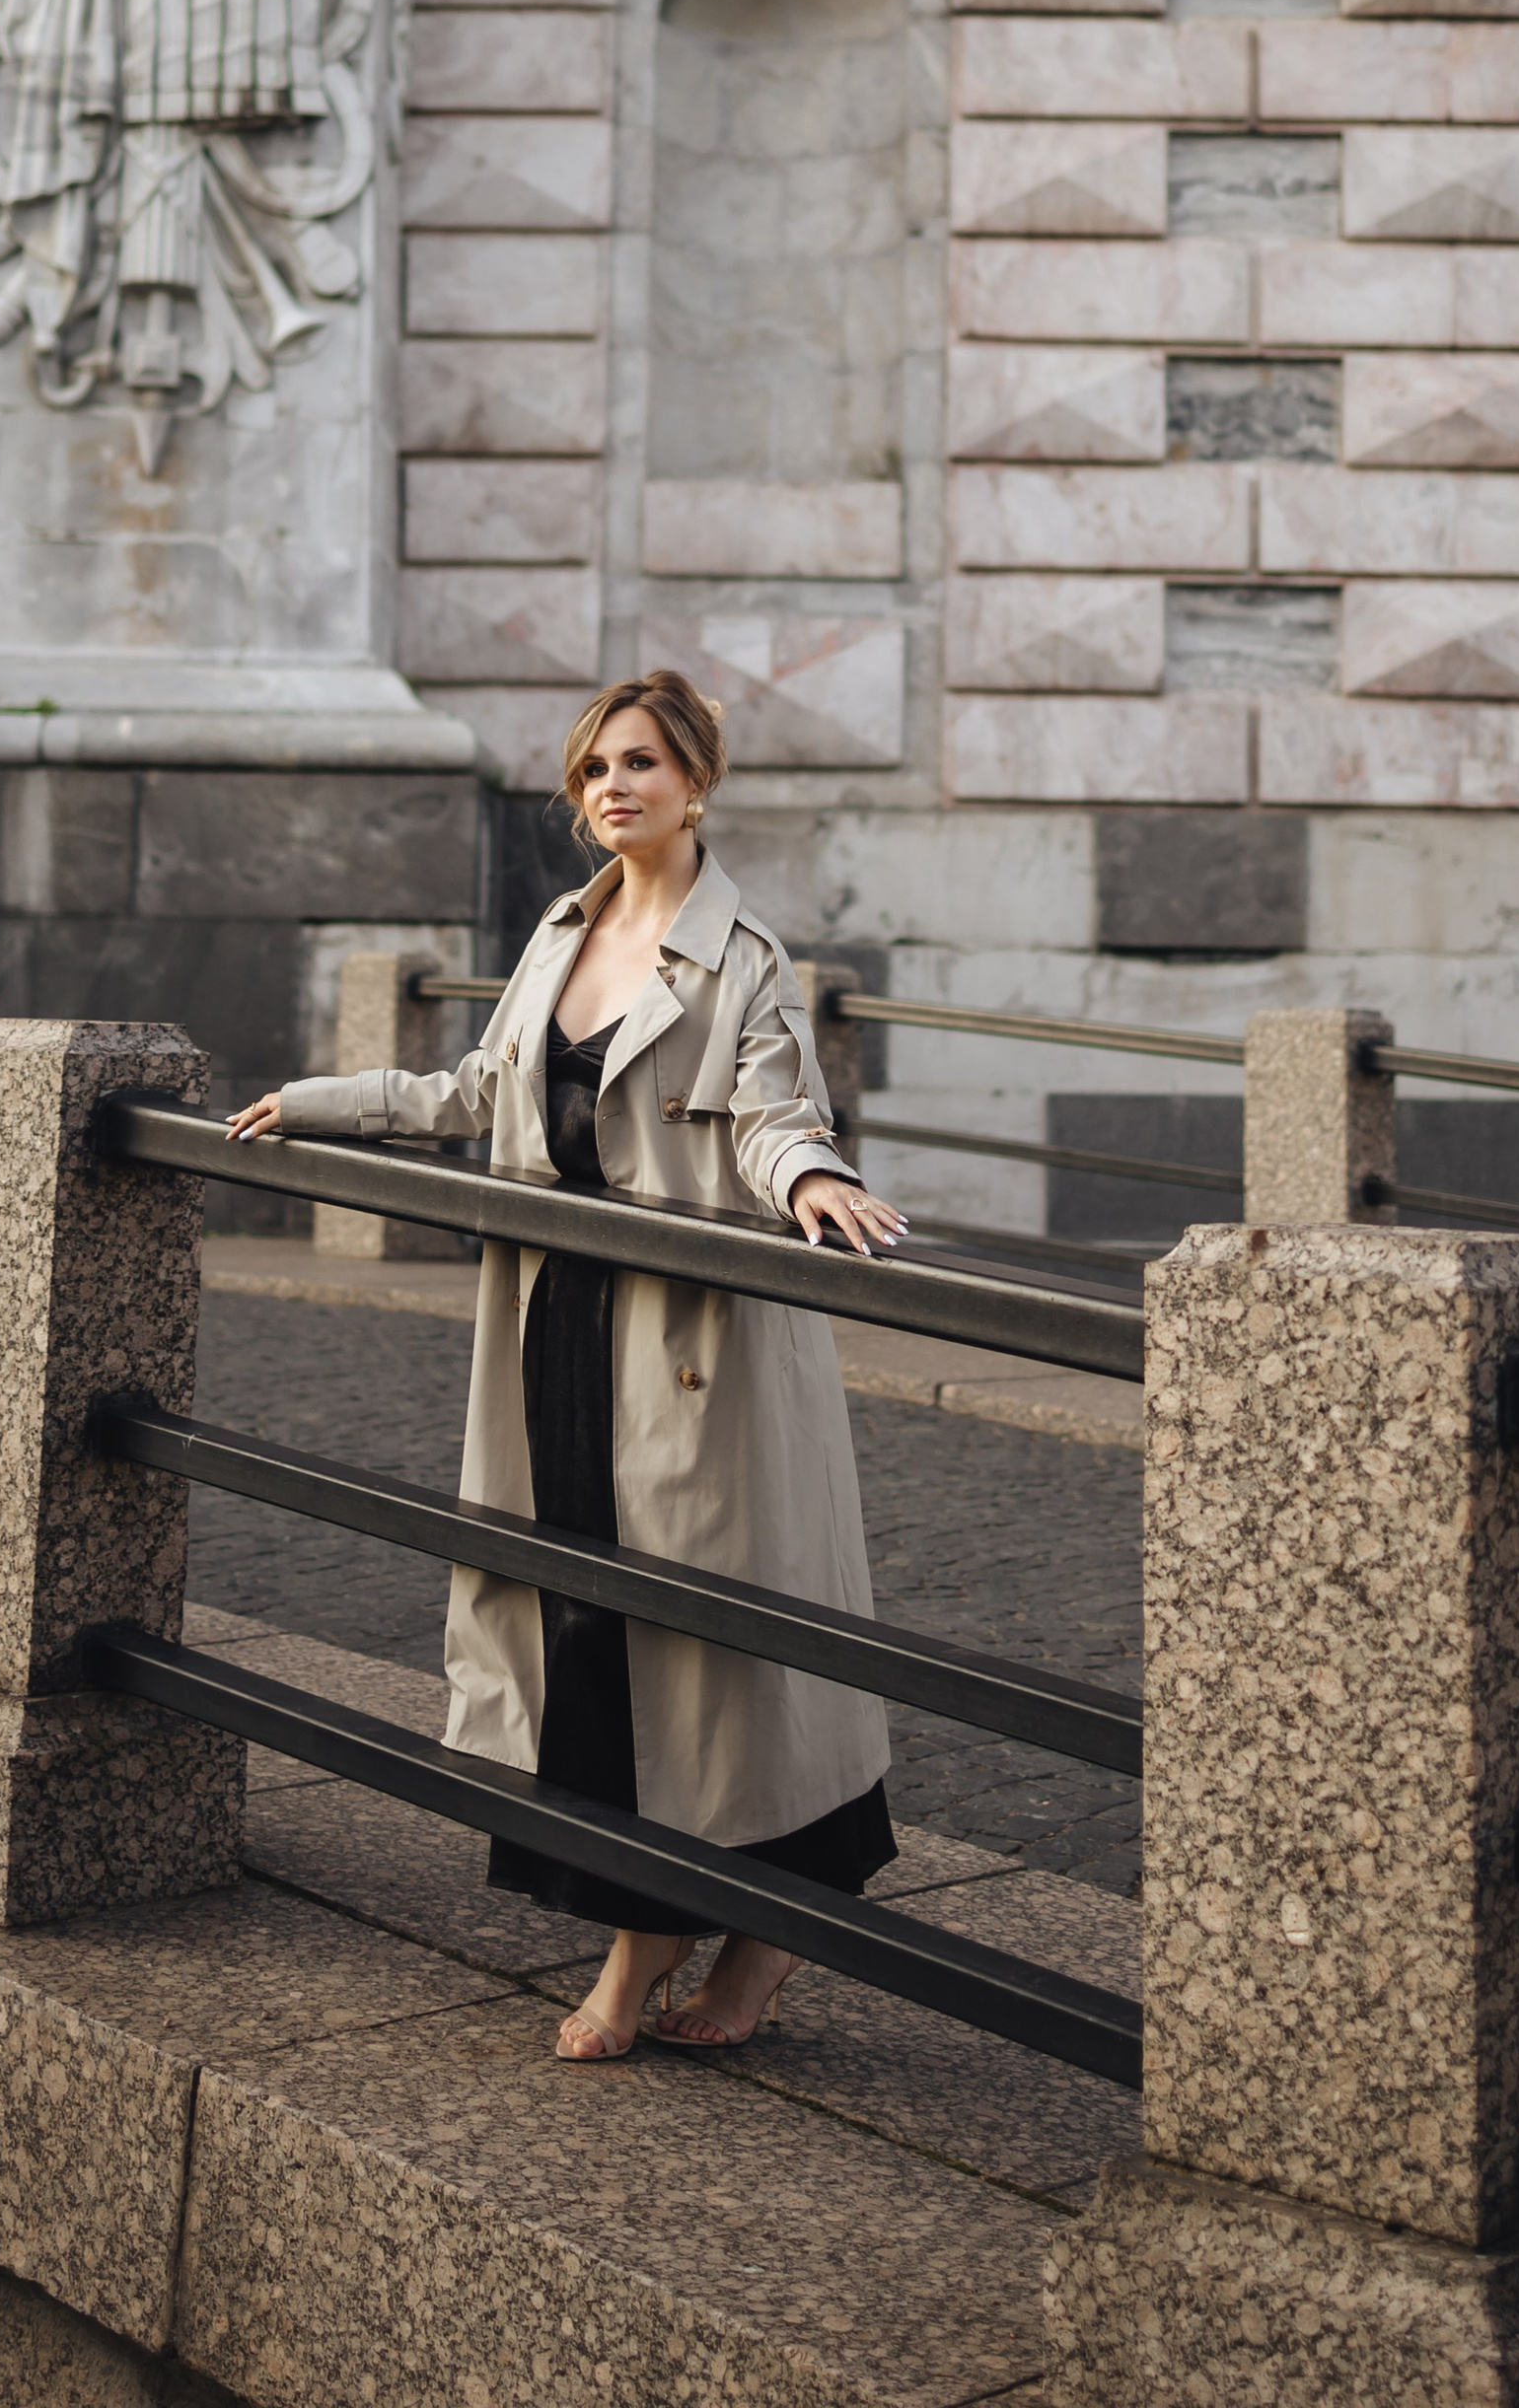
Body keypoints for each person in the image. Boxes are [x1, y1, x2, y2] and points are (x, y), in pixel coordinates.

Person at [227, 670, 908, 2061]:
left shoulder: (745, 955)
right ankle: (727, 1931)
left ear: (696, 782)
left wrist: (812, 1178)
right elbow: (481, 1091)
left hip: (691, 1343)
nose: (613, 787)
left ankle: (676, 1947)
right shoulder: (560, 930)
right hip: (559, 1320)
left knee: (688, 1645)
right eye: (595, 768)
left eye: (641, 762)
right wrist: (320, 1102)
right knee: (583, 1619)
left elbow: (774, 1112)